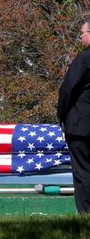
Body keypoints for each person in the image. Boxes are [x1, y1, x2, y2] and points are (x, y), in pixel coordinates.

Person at [57, 21, 90, 213]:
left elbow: (68, 89)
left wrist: (61, 115)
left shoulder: (84, 59)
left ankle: (86, 214)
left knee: (83, 171)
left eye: (82, 33)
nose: (80, 37)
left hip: (81, 125)